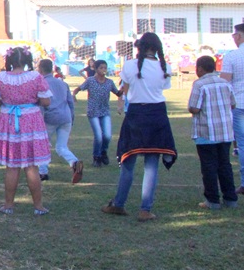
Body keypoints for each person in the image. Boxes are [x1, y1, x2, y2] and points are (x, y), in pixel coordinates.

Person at [102, 32, 177, 222]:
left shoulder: (129, 65)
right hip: (158, 115)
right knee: (151, 164)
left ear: (140, 47)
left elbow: (125, 90)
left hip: (136, 114)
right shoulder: (165, 67)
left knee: (129, 161)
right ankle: (145, 209)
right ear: (157, 47)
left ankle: (119, 204)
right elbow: (162, 88)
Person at [0, 46, 52, 216]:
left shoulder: (0, 78)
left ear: (9, 60)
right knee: (31, 166)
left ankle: (8, 205)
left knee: (12, 166)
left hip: (9, 122)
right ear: (26, 60)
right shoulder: (36, 77)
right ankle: (38, 206)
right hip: (31, 122)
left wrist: (7, 102)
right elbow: (46, 101)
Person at [188, 55, 238, 210]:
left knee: (209, 166)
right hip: (224, 132)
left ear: (200, 69)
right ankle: (230, 199)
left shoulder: (199, 84)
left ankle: (212, 200)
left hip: (206, 132)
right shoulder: (225, 83)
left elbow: (194, 108)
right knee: (225, 165)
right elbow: (233, 104)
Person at [36, 59, 84, 184]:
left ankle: (43, 172)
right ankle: (74, 162)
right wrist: (71, 118)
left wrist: (38, 122)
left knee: (43, 145)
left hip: (50, 117)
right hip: (65, 117)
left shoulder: (41, 84)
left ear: (40, 69)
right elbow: (70, 103)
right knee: (61, 146)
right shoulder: (62, 83)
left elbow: (41, 104)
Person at [74, 60, 121, 167]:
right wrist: (74, 95)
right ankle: (96, 157)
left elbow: (117, 93)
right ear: (95, 69)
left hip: (105, 111)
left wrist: (124, 88)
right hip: (93, 112)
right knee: (99, 136)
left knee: (108, 136)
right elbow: (78, 89)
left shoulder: (109, 82)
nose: (104, 70)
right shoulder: (90, 81)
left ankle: (103, 152)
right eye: (101, 68)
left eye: (105, 68)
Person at [218, 23, 244, 195]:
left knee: (242, 144)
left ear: (239, 36)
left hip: (239, 104)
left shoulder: (232, 56)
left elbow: (224, 83)